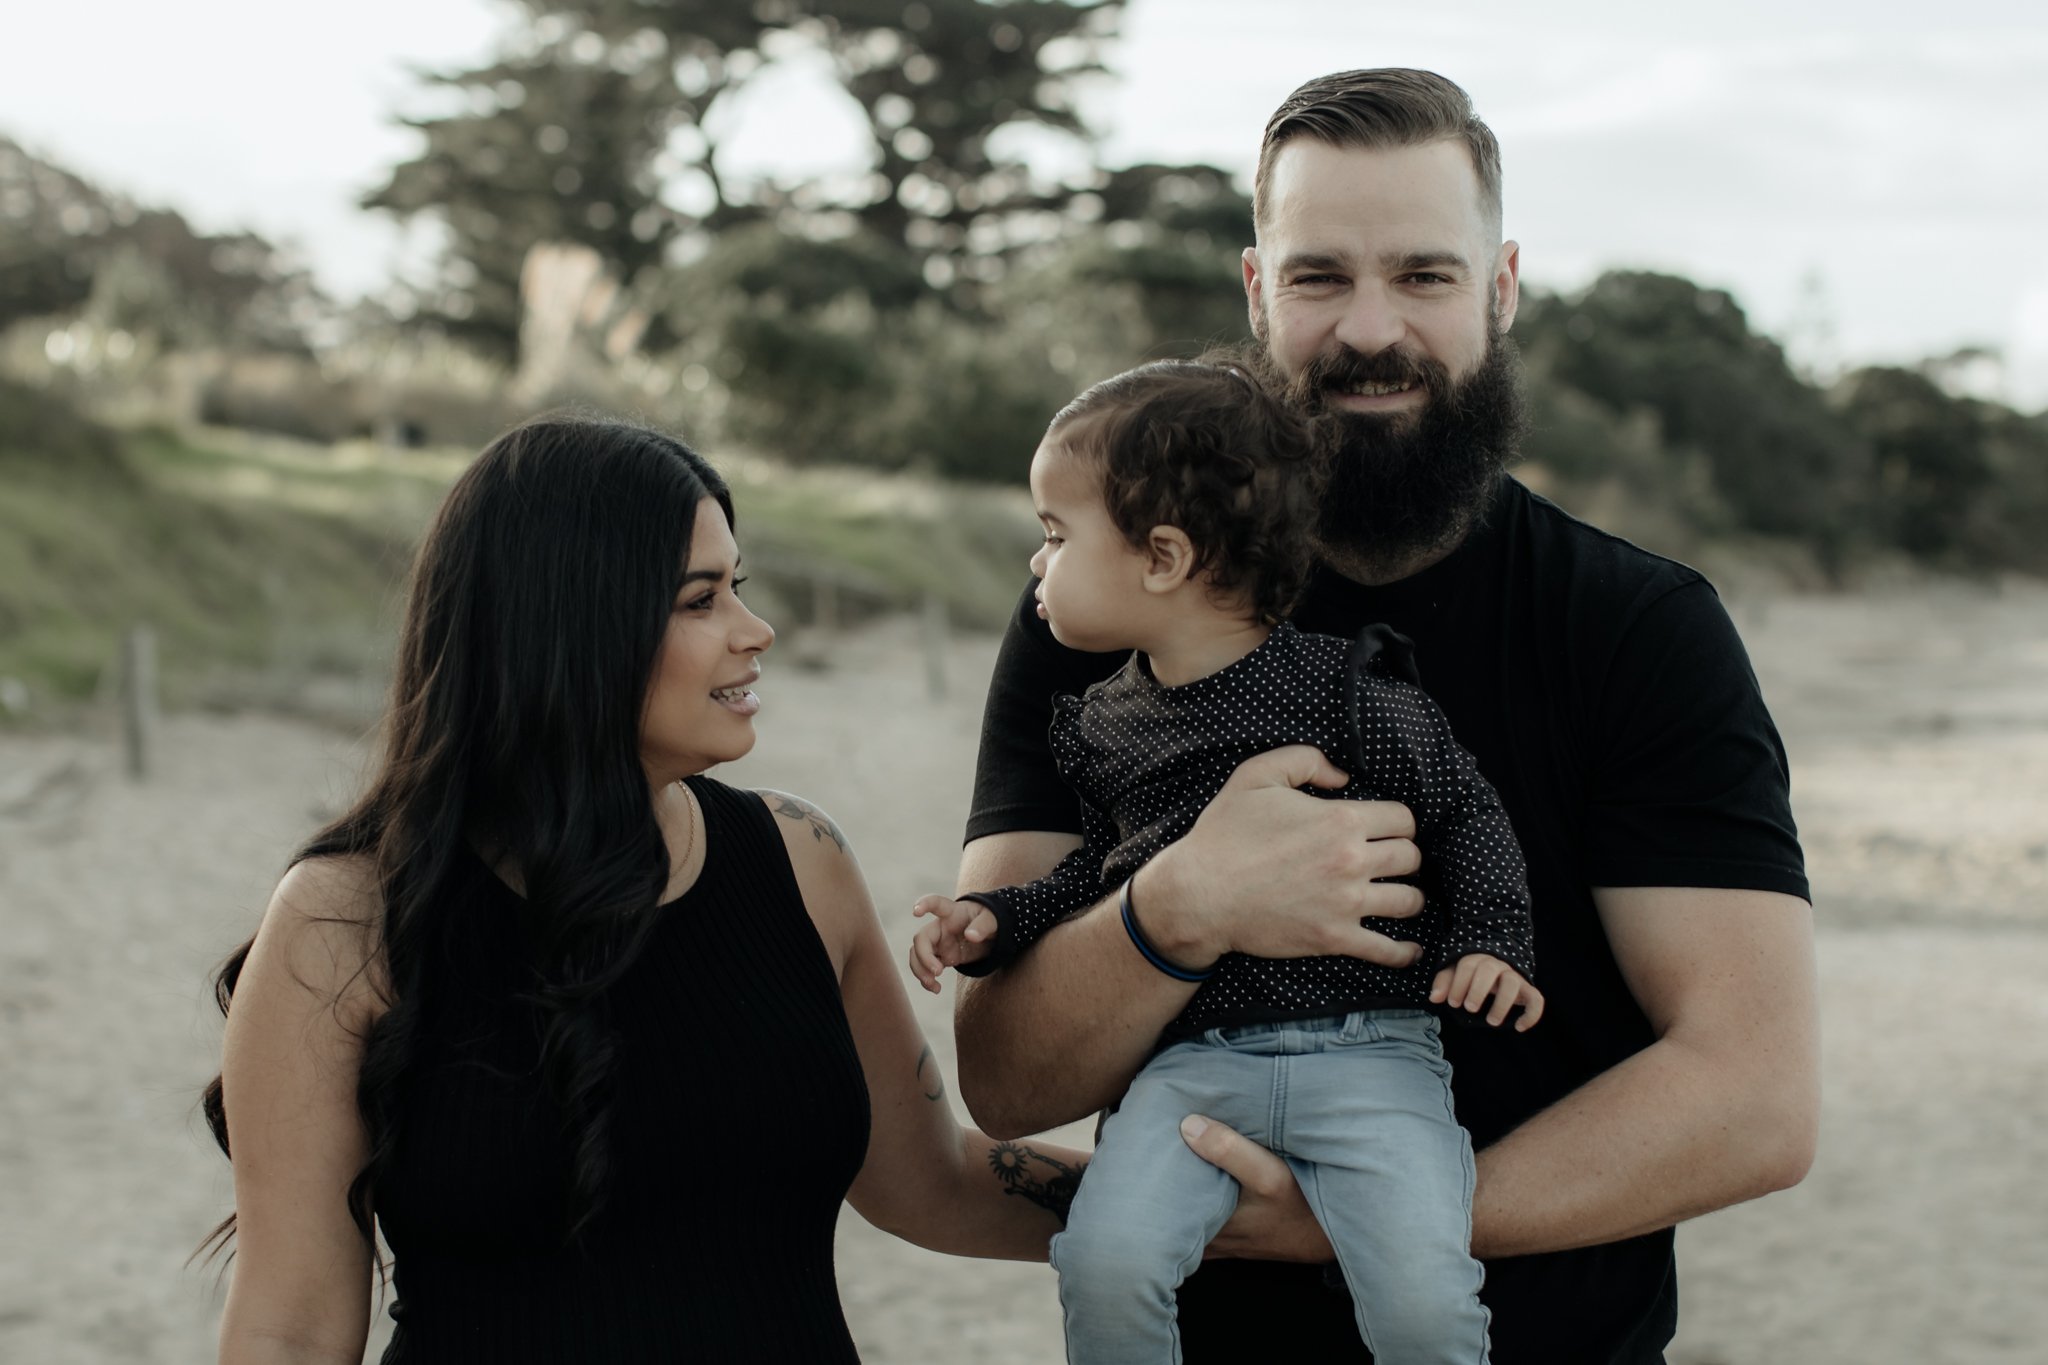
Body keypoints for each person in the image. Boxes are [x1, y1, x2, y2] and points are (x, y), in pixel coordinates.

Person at [951, 69, 1819, 1363]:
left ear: (1502, 286)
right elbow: (1011, 1079)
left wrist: (1355, 1225)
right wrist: (1174, 907)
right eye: (1318, 280)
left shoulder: (1637, 627)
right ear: (1255, 291)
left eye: (1423, 275)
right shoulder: (1103, 602)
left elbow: (1752, 1100)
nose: (1369, 330)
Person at [199, 415, 1087, 1364]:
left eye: (736, 587)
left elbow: (934, 1180)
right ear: (573, 628)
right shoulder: (346, 918)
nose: (757, 630)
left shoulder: (800, 858)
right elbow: (288, 1329)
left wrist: (1218, 1206)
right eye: (700, 600)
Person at [908, 360, 1542, 1363]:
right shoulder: (1102, 725)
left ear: (1160, 557)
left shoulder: (1346, 695)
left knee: (1425, 1308)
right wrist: (1000, 924)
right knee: (1102, 1264)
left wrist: (1491, 941)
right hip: (1188, 1068)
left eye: (1054, 535)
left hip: (1369, 1055)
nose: (1036, 565)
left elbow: (1462, 805)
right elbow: (1111, 873)